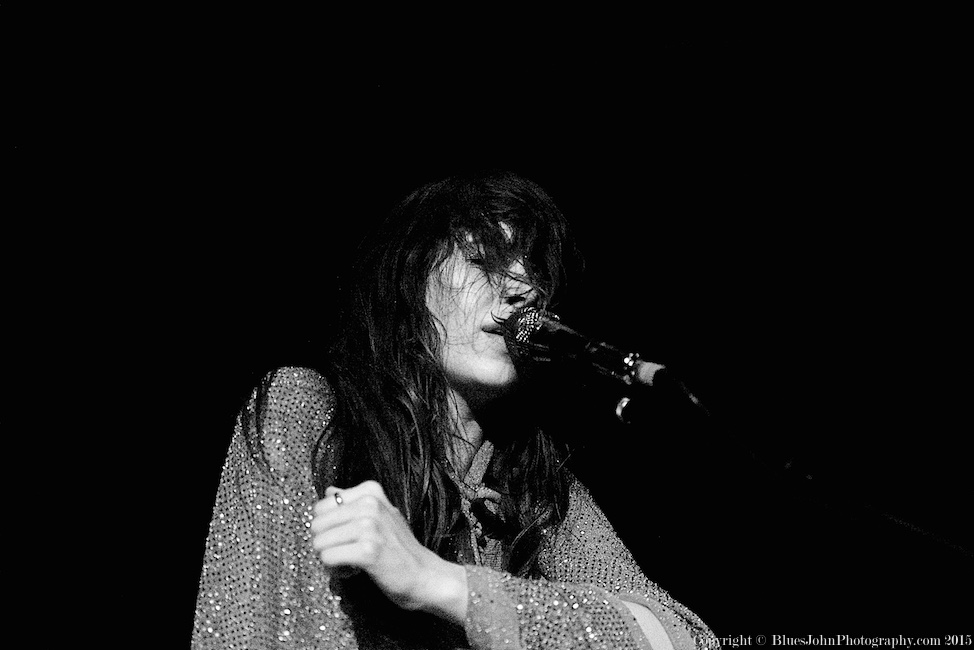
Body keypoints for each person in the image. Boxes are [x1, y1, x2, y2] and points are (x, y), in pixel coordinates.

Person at [192, 170, 719, 649]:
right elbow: (245, 628)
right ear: (409, 282)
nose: (520, 288)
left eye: (531, 271)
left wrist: (441, 584)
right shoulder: (310, 415)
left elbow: (680, 639)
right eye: (485, 258)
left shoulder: (536, 492)